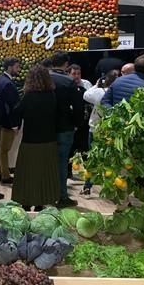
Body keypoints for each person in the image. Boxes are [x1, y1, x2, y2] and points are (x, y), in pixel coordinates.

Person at [12, 66, 60, 211]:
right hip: (49, 140)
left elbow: (16, 113)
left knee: (27, 174)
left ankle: (26, 202)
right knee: (45, 174)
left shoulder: (28, 96)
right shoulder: (52, 95)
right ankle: (41, 203)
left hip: (30, 141)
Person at [50, 52, 84, 207]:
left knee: (48, 163)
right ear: (65, 65)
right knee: (62, 163)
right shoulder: (69, 82)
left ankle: (46, 194)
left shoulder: (43, 78)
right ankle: (62, 196)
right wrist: (77, 124)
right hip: (65, 127)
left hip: (46, 128)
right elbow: (78, 107)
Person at [82, 69, 120, 195]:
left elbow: (86, 95)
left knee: (92, 158)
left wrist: (97, 84)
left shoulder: (98, 92)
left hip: (95, 129)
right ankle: (111, 187)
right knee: (111, 161)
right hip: (112, 132)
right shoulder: (118, 92)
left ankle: (88, 186)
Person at [0, 57, 21, 184]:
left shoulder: (0, 80)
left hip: (1, 121)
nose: (19, 69)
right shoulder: (8, 84)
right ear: (9, 67)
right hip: (7, 123)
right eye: (17, 67)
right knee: (4, 150)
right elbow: (11, 107)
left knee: (1, 148)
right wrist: (15, 124)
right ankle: (5, 175)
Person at [67, 64, 93, 161]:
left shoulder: (86, 84)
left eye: (79, 73)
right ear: (68, 74)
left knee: (84, 145)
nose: (77, 76)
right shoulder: (67, 85)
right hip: (71, 120)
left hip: (85, 120)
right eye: (74, 74)